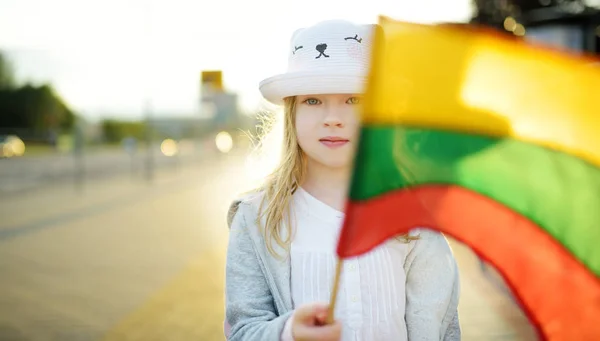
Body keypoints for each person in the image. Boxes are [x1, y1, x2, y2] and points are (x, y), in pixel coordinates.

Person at [224, 19, 461, 341]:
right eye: (312, 101)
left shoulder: (413, 219)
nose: (333, 118)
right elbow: (242, 330)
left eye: (353, 100)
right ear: (292, 114)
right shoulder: (257, 218)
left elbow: (441, 328)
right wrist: (289, 332)